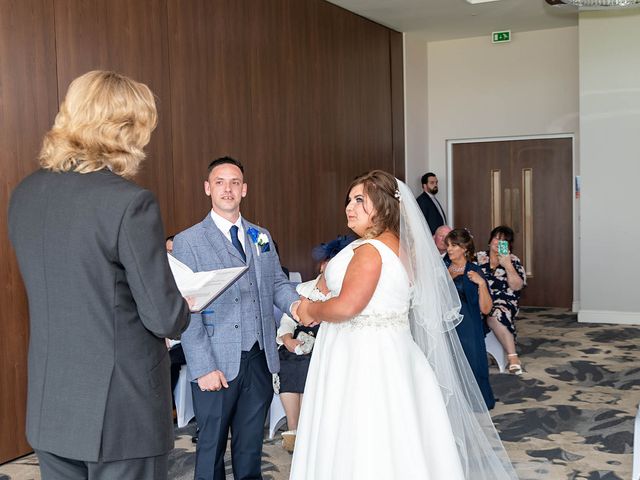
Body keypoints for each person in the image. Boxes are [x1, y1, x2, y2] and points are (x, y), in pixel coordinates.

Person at [8, 70, 191, 480]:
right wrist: (183, 306)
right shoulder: (129, 203)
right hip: (121, 412)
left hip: (50, 406)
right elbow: (163, 317)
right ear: (126, 129)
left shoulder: (25, 194)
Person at [291, 170, 516, 479]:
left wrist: (310, 309)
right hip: (394, 351)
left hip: (361, 355)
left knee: (361, 434)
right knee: (397, 432)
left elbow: (348, 306)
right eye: (349, 200)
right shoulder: (401, 249)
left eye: (360, 200)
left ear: (384, 205)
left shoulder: (370, 251)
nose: (349, 207)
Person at [171, 156, 300, 480]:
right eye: (220, 182)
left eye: (234, 183)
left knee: (250, 449)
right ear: (207, 188)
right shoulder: (189, 241)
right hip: (215, 362)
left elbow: (276, 284)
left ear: (244, 189)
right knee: (211, 449)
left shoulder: (261, 236)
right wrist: (202, 367)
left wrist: (298, 307)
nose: (227, 189)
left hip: (258, 360)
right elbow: (186, 306)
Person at [275, 235, 354, 453]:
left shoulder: (344, 294)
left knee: (310, 364)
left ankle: (311, 431)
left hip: (326, 345)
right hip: (298, 341)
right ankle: (294, 430)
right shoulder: (304, 289)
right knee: (290, 362)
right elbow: (286, 321)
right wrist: (287, 339)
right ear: (322, 265)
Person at [444, 228, 496, 410]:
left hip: (469, 325)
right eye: (448, 245)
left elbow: (486, 308)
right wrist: (446, 279)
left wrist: (481, 284)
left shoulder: (474, 271)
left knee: (472, 362)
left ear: (465, 248)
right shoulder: (442, 267)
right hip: (446, 325)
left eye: (454, 245)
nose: (449, 249)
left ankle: (473, 400)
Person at [476, 225, 527, 375]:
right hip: (480, 299)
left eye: (504, 241)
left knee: (495, 314)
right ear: (490, 240)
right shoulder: (477, 257)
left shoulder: (513, 260)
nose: (498, 243)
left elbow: (517, 286)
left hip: (505, 301)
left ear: (509, 245)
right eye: (497, 238)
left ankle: (513, 358)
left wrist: (508, 266)